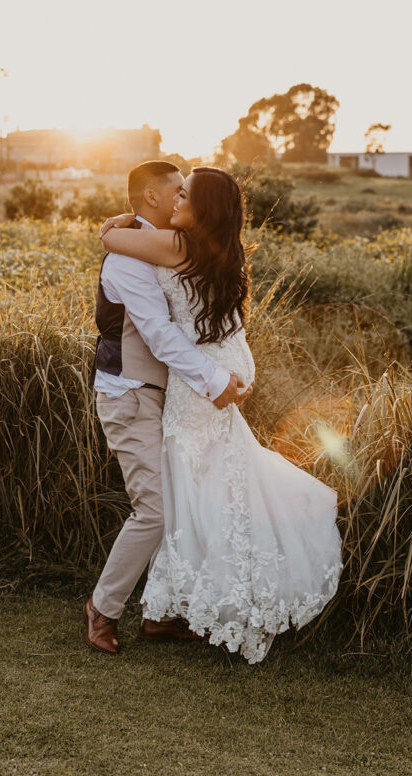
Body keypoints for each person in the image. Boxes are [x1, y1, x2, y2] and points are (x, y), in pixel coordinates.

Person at [98, 166, 342, 664]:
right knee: (199, 485)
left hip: (205, 379)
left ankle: (177, 603)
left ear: (201, 206)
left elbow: (112, 244)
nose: (178, 199)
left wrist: (109, 228)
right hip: (215, 370)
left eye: (186, 194)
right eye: (175, 191)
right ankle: (169, 606)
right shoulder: (216, 245)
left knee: (195, 487)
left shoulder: (179, 246)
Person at [83, 161, 252, 655]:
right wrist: (213, 379)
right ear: (153, 198)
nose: (184, 198)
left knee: (178, 498)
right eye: (177, 191)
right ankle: (102, 608)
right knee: (155, 510)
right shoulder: (128, 261)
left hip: (166, 395)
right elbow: (159, 335)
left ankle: (158, 615)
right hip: (129, 392)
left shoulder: (165, 245)